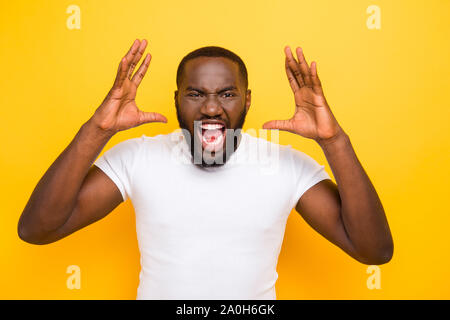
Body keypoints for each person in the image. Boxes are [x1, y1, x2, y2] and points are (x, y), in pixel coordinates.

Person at [18, 39, 393, 300]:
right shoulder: (137, 158)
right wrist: (96, 131)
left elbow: (373, 250)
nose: (212, 108)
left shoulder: (285, 164)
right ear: (177, 100)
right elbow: (37, 229)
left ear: (247, 101)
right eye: (196, 94)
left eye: (227, 94)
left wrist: (334, 141)